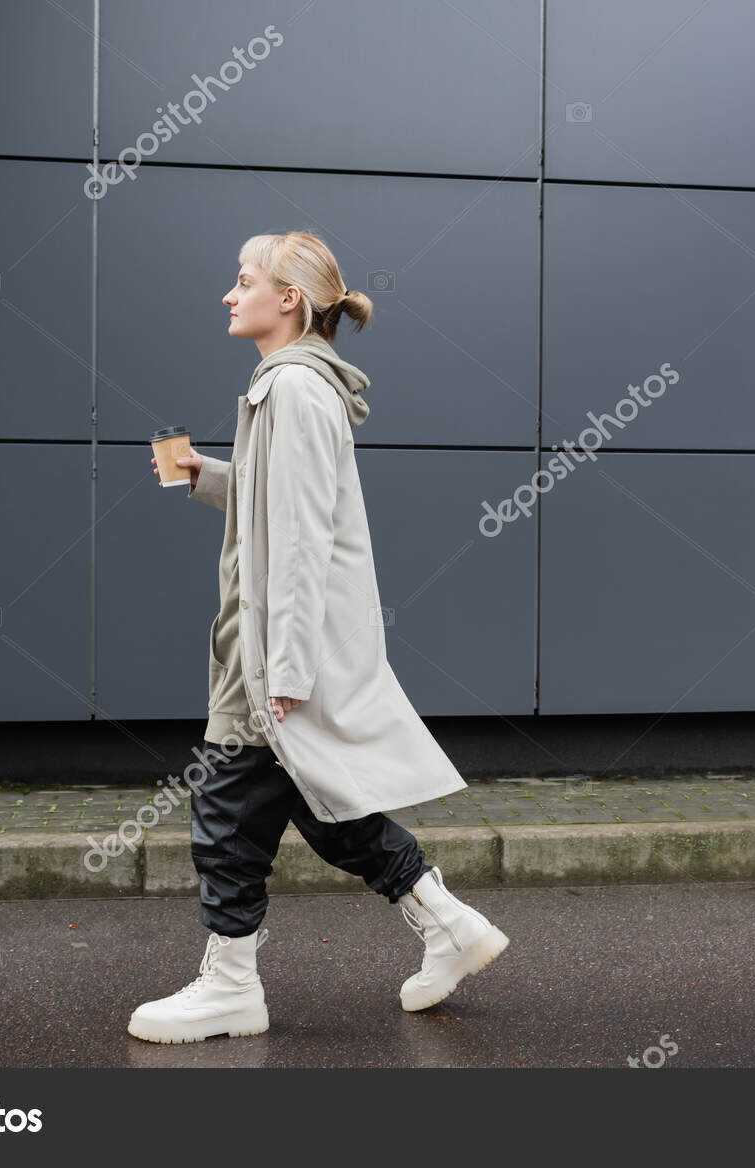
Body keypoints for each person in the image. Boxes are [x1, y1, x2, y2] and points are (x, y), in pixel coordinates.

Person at [128, 230, 508, 1044]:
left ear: (289, 298)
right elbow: (284, 504)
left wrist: (285, 667)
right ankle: (447, 923)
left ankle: (231, 987)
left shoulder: (293, 389)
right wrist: (210, 475)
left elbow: (300, 537)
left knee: (226, 806)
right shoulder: (292, 385)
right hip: (276, 640)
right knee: (323, 804)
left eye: (244, 280)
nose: (230, 295)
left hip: (272, 646)